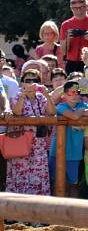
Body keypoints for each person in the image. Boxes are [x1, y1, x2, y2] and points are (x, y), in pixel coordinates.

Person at [5, 68, 55, 197]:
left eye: (35, 80)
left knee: (39, 173)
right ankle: (17, 211)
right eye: (28, 80)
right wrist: (23, 95)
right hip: (21, 143)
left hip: (38, 144)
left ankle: (39, 209)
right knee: (21, 174)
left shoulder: (41, 97)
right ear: (22, 83)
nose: (31, 83)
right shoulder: (17, 96)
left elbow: (51, 112)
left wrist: (47, 95)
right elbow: (17, 112)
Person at [49, 79, 88, 197]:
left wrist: (80, 111)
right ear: (64, 95)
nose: (75, 95)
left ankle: (71, 213)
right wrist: (81, 112)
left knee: (73, 184)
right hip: (57, 152)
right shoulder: (61, 106)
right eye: (71, 92)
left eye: (77, 92)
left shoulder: (81, 105)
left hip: (74, 153)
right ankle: (55, 212)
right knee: (57, 183)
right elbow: (74, 116)